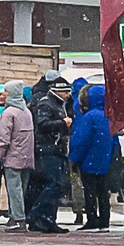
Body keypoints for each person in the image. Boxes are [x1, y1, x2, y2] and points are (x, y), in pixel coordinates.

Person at [69, 85, 119, 230]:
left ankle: (92, 219)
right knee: (103, 192)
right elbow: (114, 141)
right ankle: (104, 221)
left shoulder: (89, 117)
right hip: (104, 161)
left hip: (88, 161)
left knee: (89, 191)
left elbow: (81, 141)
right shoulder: (108, 117)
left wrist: (75, 158)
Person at [28, 75, 72, 232]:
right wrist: (63, 123)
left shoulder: (55, 104)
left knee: (51, 185)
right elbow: (43, 124)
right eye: (66, 92)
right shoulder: (47, 103)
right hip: (49, 150)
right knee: (54, 184)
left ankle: (46, 219)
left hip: (52, 149)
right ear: (58, 92)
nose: (68, 95)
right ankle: (38, 215)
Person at [0, 84, 36, 230]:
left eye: (6, 91)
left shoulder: (9, 113)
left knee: (14, 189)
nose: (4, 94)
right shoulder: (26, 111)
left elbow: (5, 139)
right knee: (22, 188)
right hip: (27, 156)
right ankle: (16, 217)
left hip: (13, 156)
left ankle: (18, 219)